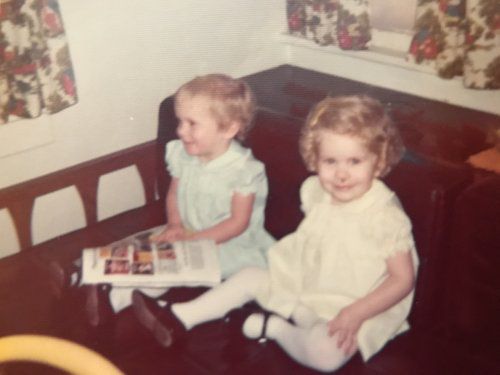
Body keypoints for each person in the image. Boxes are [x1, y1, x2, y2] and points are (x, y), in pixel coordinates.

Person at [132, 95, 419, 372]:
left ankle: (273, 327)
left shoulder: (385, 216)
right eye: (330, 162)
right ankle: (178, 317)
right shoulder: (316, 191)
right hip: (304, 286)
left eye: (355, 162)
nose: (341, 175)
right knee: (249, 276)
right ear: (315, 159)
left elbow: (402, 279)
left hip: (352, 306)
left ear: (378, 161)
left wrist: (354, 314)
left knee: (326, 355)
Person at [86, 74, 275, 324]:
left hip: (231, 244)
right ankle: (110, 296)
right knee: (152, 254)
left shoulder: (243, 170)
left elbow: (237, 223)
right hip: (188, 230)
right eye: (180, 121)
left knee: (172, 266)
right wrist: (175, 224)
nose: (180, 131)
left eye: (191, 123)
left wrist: (194, 241)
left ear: (229, 128)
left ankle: (165, 315)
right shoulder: (184, 155)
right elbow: (174, 192)